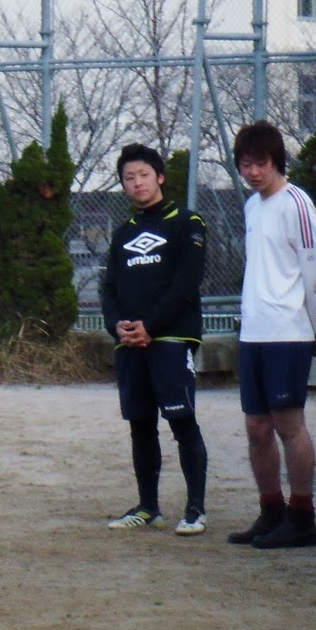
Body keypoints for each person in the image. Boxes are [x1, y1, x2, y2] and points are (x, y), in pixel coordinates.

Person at [228, 120, 316, 550]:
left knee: (289, 422)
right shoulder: (253, 207)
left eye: (262, 163)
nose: (253, 172)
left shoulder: (297, 203)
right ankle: (270, 511)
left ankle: (302, 515)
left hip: (288, 330)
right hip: (254, 329)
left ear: (277, 162)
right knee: (256, 425)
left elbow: (315, 267)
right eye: (246, 164)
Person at [100, 144, 210, 536]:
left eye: (144, 174)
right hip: (130, 344)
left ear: (159, 176)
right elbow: (109, 288)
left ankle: (195, 509)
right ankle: (148, 506)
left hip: (171, 338)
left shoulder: (187, 222)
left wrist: (152, 324)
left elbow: (187, 282)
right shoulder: (124, 233)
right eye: (129, 178)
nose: (137, 183)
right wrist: (117, 326)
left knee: (181, 420)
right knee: (140, 425)